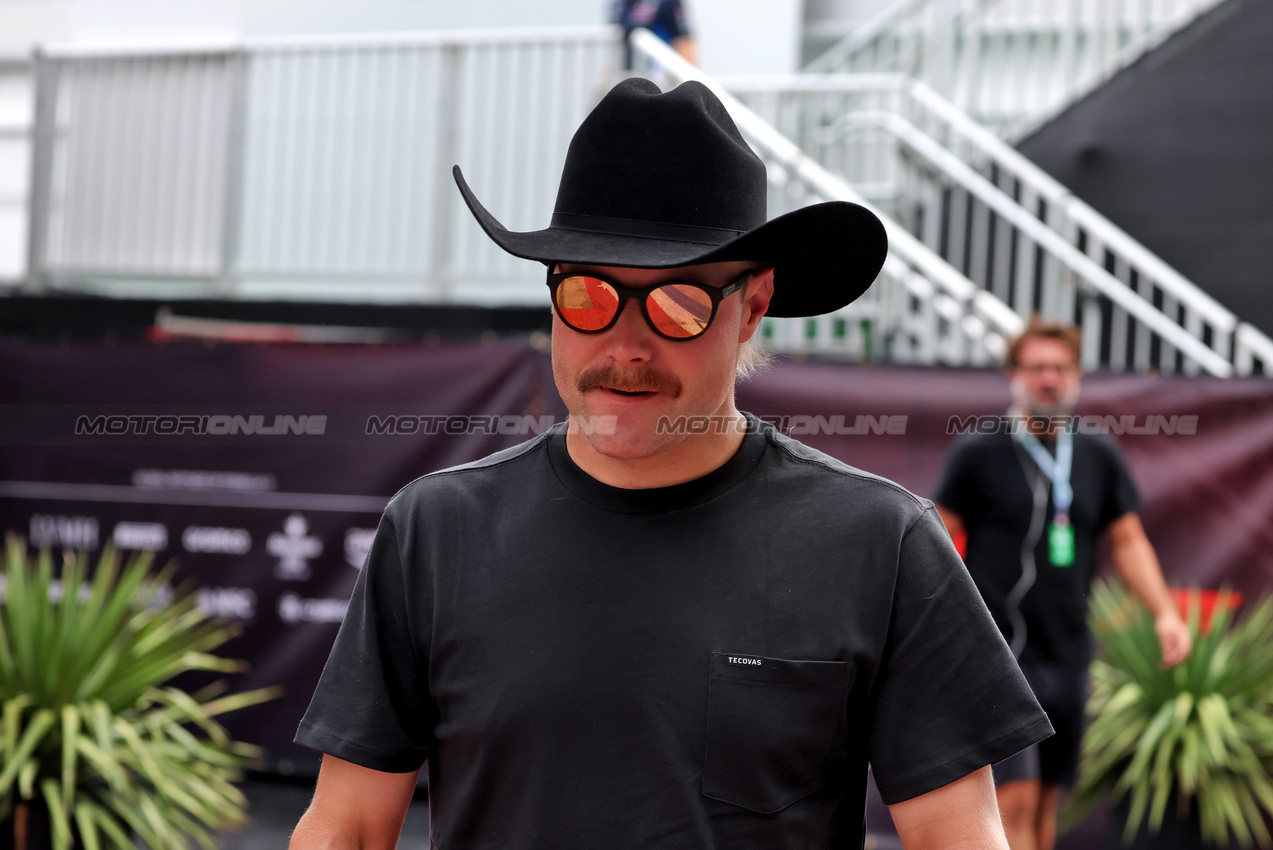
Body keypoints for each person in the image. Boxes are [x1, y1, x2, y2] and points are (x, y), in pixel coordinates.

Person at [289, 78, 1053, 850]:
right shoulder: (437, 530)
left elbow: (958, 839)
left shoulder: (877, 543)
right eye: (587, 296)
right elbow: (346, 824)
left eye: (678, 305)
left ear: (752, 304)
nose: (625, 348)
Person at [932, 317, 1193, 850]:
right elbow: (933, 534)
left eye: (1060, 367)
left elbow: (1128, 540)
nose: (1049, 378)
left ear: (1076, 375)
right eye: (1037, 367)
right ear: (1014, 375)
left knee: (1048, 801)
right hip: (997, 651)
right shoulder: (978, 451)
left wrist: (1164, 613)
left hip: (1068, 651)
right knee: (1015, 800)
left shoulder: (1097, 453)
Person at [613, 0, 697, 69]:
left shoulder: (667, 2)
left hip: (658, 69)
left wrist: (689, 79)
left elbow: (683, 39)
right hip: (624, 70)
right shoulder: (620, 4)